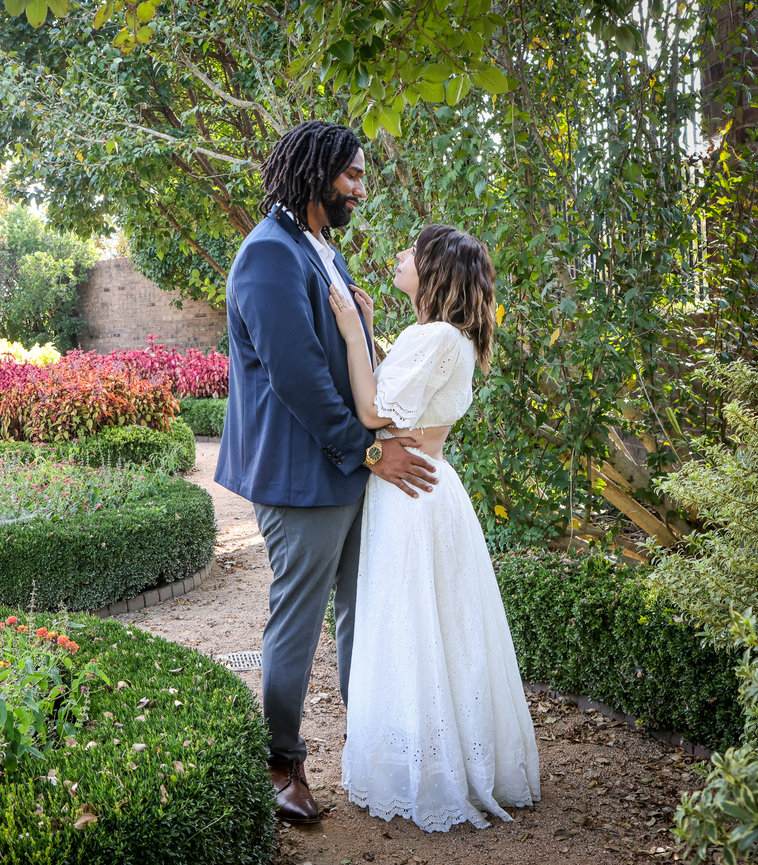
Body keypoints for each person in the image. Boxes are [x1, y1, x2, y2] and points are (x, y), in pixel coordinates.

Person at [214, 120, 438, 824]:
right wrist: (371, 451)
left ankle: (367, 747)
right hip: (299, 477)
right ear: (314, 174)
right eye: (351, 176)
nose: (359, 190)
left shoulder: (319, 249)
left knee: (359, 615)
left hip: (345, 467)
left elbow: (348, 360)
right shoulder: (267, 258)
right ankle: (279, 760)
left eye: (360, 176)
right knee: (298, 622)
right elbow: (299, 380)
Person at [329, 224, 540, 831]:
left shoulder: (435, 337)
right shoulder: (448, 337)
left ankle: (426, 768)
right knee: (439, 628)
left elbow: (374, 412)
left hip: (408, 494)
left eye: (411, 252)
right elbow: (395, 403)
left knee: (411, 624)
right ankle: (436, 756)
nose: (399, 256)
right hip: (430, 486)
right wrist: (369, 337)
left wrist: (350, 332)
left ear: (435, 270)